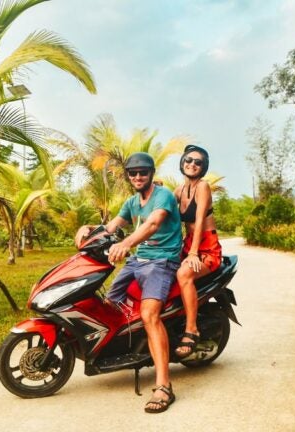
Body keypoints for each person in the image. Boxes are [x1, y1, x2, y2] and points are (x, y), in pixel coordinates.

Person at [74, 152, 182, 414]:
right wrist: (89, 231)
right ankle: (125, 348)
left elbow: (153, 224)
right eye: (132, 173)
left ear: (151, 173)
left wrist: (126, 243)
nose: (137, 176)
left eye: (142, 172)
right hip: (138, 261)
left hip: (162, 261)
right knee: (111, 301)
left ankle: (164, 385)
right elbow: (111, 226)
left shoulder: (162, 196)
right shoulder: (132, 202)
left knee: (149, 315)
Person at [173, 145, 222, 358]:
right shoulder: (179, 190)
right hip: (188, 243)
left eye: (198, 162)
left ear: (203, 167)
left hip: (206, 247)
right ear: (182, 162)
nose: (192, 164)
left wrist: (193, 253)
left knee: (184, 274)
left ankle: (191, 329)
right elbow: (163, 209)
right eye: (188, 160)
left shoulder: (203, 186)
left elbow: (200, 220)